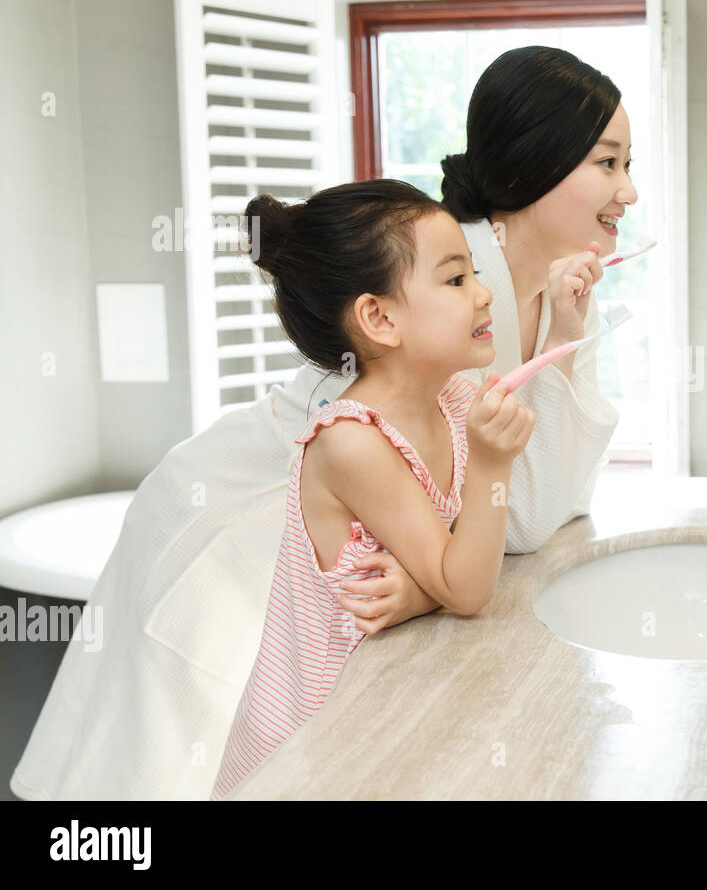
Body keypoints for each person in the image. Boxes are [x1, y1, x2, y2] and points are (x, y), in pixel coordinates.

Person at [11, 45, 635, 800]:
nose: (627, 191)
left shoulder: (543, 295)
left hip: (347, 531)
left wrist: (427, 580)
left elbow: (538, 514)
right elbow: (444, 477)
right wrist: (430, 573)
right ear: (526, 172)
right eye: (607, 163)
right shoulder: (436, 287)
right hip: (237, 521)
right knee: (168, 767)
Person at [210, 181, 533, 798]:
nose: (485, 294)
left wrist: (418, 592)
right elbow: (466, 587)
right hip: (312, 746)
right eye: (456, 280)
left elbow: (452, 568)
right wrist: (493, 467)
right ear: (379, 318)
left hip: (381, 715)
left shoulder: (453, 401)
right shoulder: (352, 442)